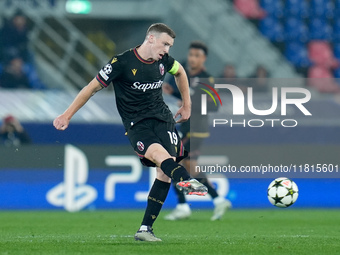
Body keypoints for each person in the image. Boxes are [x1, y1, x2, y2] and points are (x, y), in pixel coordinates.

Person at [53, 23, 208, 242]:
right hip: (137, 124)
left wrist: (187, 104)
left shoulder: (164, 60)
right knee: (158, 157)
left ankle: (145, 229)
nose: (167, 50)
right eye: (165, 44)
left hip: (163, 119)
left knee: (164, 170)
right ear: (151, 39)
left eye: (170, 46)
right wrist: (67, 115)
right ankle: (185, 180)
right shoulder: (121, 62)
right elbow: (91, 88)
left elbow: (180, 72)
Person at [163, 41, 231, 221]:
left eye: (197, 56)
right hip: (184, 126)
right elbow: (178, 94)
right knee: (189, 166)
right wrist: (173, 94)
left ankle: (183, 205)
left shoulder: (207, 79)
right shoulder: (180, 73)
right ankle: (217, 200)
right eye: (191, 55)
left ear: (204, 59)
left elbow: (214, 106)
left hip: (197, 129)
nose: (192, 59)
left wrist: (187, 103)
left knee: (173, 162)